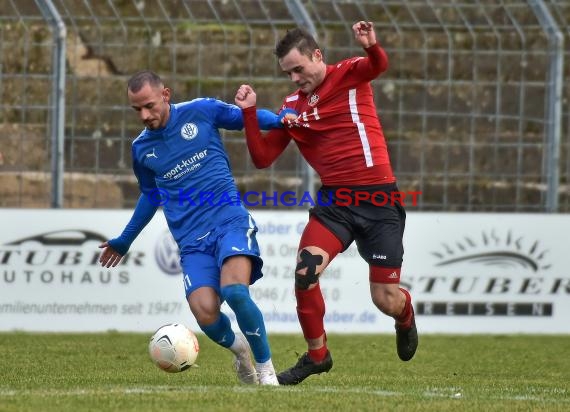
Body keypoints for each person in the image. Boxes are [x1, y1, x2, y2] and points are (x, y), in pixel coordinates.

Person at [234, 21, 418, 385]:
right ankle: (318, 355)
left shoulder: (349, 74)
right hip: (336, 203)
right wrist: (250, 113)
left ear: (317, 56)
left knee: (385, 299)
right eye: (287, 73)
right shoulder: (291, 106)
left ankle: (405, 314)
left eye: (298, 69)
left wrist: (371, 46)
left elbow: (377, 66)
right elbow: (262, 158)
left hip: (378, 201)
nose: (294, 78)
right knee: (305, 274)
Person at [98, 70, 284, 385]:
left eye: (150, 106)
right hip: (192, 243)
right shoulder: (142, 149)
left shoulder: (202, 111)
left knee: (235, 291)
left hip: (229, 222)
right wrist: (125, 240)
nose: (144, 115)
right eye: (137, 110)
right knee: (205, 313)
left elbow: (246, 118)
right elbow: (150, 195)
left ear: (166, 95)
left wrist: (283, 120)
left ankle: (267, 370)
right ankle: (241, 351)